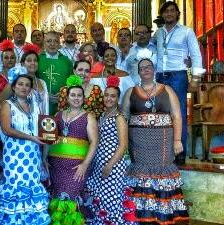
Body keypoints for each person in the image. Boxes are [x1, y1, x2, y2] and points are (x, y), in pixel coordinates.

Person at [121, 58, 189, 224]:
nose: (145, 70)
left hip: (163, 141)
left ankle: (163, 213)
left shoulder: (167, 90)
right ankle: (139, 213)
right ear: (138, 72)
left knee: (162, 171)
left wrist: (178, 140)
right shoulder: (131, 91)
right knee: (140, 173)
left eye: (148, 67)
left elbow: (177, 116)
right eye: (142, 68)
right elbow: (123, 117)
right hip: (138, 143)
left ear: (154, 70)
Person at [154, 1, 205, 165]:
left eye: (172, 11)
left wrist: (196, 79)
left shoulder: (187, 32)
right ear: (162, 15)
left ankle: (180, 154)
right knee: (161, 114)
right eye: (166, 12)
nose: (169, 14)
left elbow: (196, 55)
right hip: (160, 76)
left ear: (177, 14)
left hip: (178, 75)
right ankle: (164, 152)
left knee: (179, 114)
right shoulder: (159, 34)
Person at [0, 71, 50, 225]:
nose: (24, 87)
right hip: (14, 156)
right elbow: (6, 129)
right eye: (20, 84)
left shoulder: (36, 107)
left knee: (31, 188)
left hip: (32, 156)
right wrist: (31, 137)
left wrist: (49, 141)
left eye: (27, 85)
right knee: (16, 188)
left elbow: (43, 131)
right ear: (13, 87)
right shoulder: (6, 105)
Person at [48, 75, 98, 223]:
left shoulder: (89, 117)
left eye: (79, 95)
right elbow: (48, 139)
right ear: (68, 97)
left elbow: (94, 142)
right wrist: (45, 159)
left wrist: (84, 165)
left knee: (70, 199)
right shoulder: (57, 115)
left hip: (76, 168)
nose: (76, 98)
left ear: (83, 98)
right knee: (57, 200)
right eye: (73, 95)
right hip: (56, 167)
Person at [86, 76, 129, 224]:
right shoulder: (102, 115)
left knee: (111, 198)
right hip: (100, 163)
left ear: (117, 99)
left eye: (113, 96)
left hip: (113, 165)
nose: (109, 98)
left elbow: (123, 145)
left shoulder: (119, 118)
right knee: (100, 198)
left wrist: (110, 165)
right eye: (106, 95)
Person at [38, 31, 73, 115]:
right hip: (41, 103)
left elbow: (72, 82)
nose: (52, 44)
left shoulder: (66, 61)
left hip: (62, 103)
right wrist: (44, 94)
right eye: (49, 41)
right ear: (44, 43)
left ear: (59, 44)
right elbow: (32, 80)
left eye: (55, 41)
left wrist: (63, 93)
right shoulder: (37, 59)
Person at [0, 39, 16, 106]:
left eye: (12, 57)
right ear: (2, 60)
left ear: (16, 60)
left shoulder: (19, 76)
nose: (9, 60)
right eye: (6, 58)